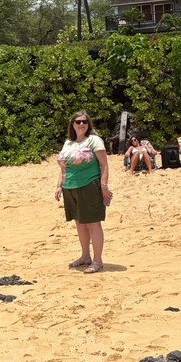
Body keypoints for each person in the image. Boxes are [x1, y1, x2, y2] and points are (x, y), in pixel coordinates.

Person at [55, 111, 112, 273]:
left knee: (93, 222)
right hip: (70, 187)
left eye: (84, 122)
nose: (81, 125)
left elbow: (104, 165)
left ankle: (98, 260)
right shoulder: (68, 143)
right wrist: (59, 185)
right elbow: (64, 167)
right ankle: (85, 256)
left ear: (88, 124)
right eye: (78, 122)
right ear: (72, 125)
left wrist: (104, 186)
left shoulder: (94, 140)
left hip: (89, 185)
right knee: (79, 222)